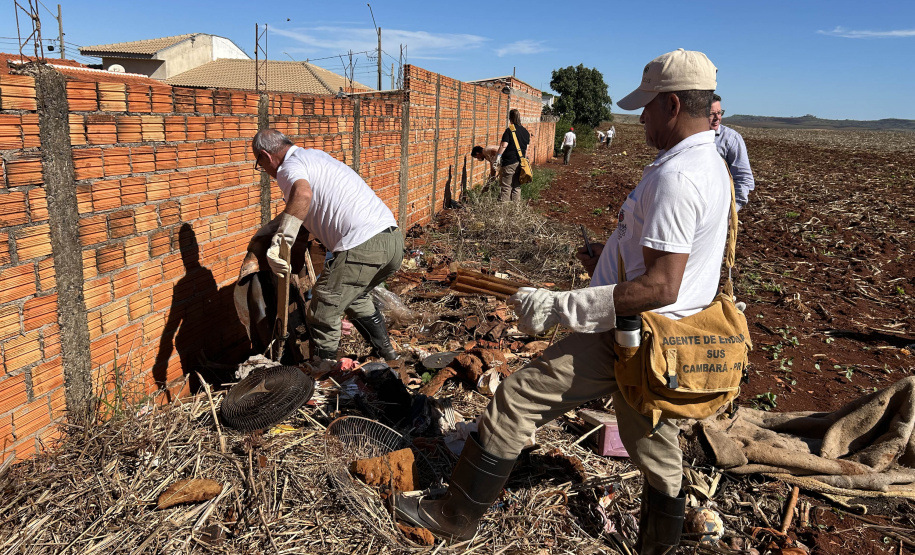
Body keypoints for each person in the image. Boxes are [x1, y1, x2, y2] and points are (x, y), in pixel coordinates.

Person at [394, 48, 729, 555]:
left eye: (647, 106)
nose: (641, 118)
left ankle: (456, 516)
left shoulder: (677, 176)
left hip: (632, 336)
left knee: (516, 401)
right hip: (667, 344)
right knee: (655, 447)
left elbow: (662, 286)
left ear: (673, 104)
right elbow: (677, 263)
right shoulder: (711, 164)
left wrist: (559, 306)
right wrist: (607, 258)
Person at [249, 128, 404, 363]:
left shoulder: (288, 168)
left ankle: (324, 374)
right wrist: (275, 232)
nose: (265, 171)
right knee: (355, 297)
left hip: (363, 244)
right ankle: (389, 356)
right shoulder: (315, 157)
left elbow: (302, 195)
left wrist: (281, 241)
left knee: (322, 308)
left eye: (260, 165)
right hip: (392, 241)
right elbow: (304, 209)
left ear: (265, 155)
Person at [710, 94, 755, 209]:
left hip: (719, 207)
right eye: (711, 114)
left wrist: (732, 211)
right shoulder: (688, 136)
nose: (717, 118)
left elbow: (744, 178)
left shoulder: (731, 138)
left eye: (719, 113)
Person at [492, 109, 530, 202]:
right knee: (516, 187)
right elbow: (526, 148)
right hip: (521, 163)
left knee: (506, 187)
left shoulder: (509, 130)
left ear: (510, 118)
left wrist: (497, 157)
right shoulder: (525, 131)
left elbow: (503, 145)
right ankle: (515, 208)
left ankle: (504, 209)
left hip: (509, 162)